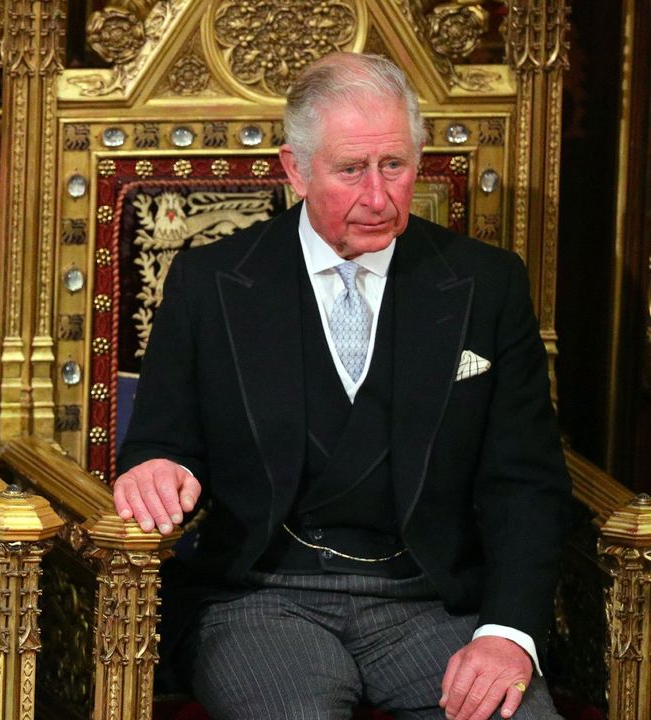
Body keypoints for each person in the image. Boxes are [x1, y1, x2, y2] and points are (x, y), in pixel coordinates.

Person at [112, 53, 569, 720]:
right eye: (351, 170)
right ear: (294, 168)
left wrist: (507, 635)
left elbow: (525, 481)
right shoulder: (210, 282)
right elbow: (161, 441)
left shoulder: (486, 285)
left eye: (396, 166)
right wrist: (156, 468)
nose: (379, 197)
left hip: (432, 602)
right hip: (263, 600)